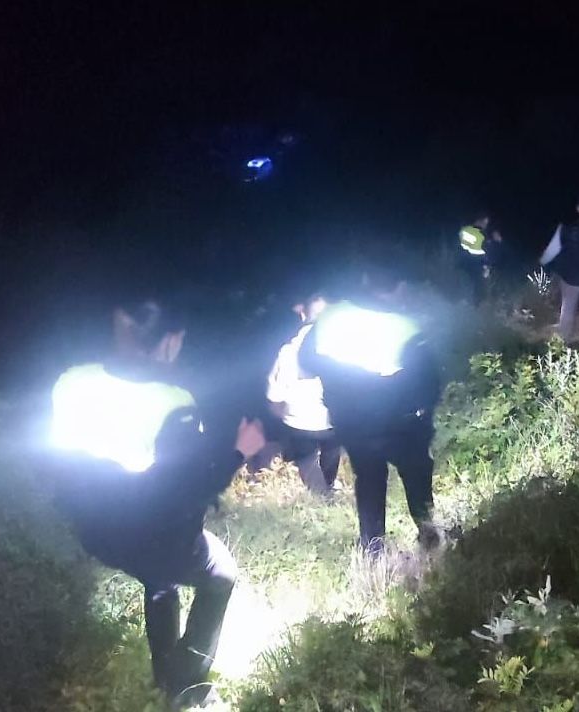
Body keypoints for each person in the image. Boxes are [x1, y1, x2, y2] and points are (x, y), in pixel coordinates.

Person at [47, 301, 265, 708]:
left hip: (93, 532)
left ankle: (165, 672)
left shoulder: (71, 382)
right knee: (221, 575)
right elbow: (187, 489)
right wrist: (240, 451)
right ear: (170, 342)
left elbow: (61, 466)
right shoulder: (174, 403)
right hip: (150, 535)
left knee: (160, 574)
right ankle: (186, 682)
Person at [297, 268, 442, 554]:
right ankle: (430, 536)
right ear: (400, 285)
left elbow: (306, 362)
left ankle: (372, 549)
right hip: (402, 426)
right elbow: (430, 385)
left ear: (365, 280)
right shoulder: (405, 327)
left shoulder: (332, 316)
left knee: (369, 480)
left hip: (352, 423)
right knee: (416, 478)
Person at [266, 293, 341, 496]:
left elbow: (276, 395)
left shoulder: (288, 351)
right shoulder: (343, 346)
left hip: (298, 422)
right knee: (332, 447)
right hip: (334, 420)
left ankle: (320, 493)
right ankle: (328, 485)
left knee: (305, 455)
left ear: (302, 314)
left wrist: (279, 419)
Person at [539, 197, 579, 342]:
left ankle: (563, 342)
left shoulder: (564, 227)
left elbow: (552, 250)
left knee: (567, 309)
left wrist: (541, 262)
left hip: (569, 276)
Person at [457, 212, 503, 305]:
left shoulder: (464, 230)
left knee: (461, 292)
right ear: (482, 221)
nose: (486, 225)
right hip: (476, 269)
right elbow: (489, 253)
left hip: (461, 265)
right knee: (476, 295)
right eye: (486, 222)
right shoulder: (482, 236)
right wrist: (496, 241)